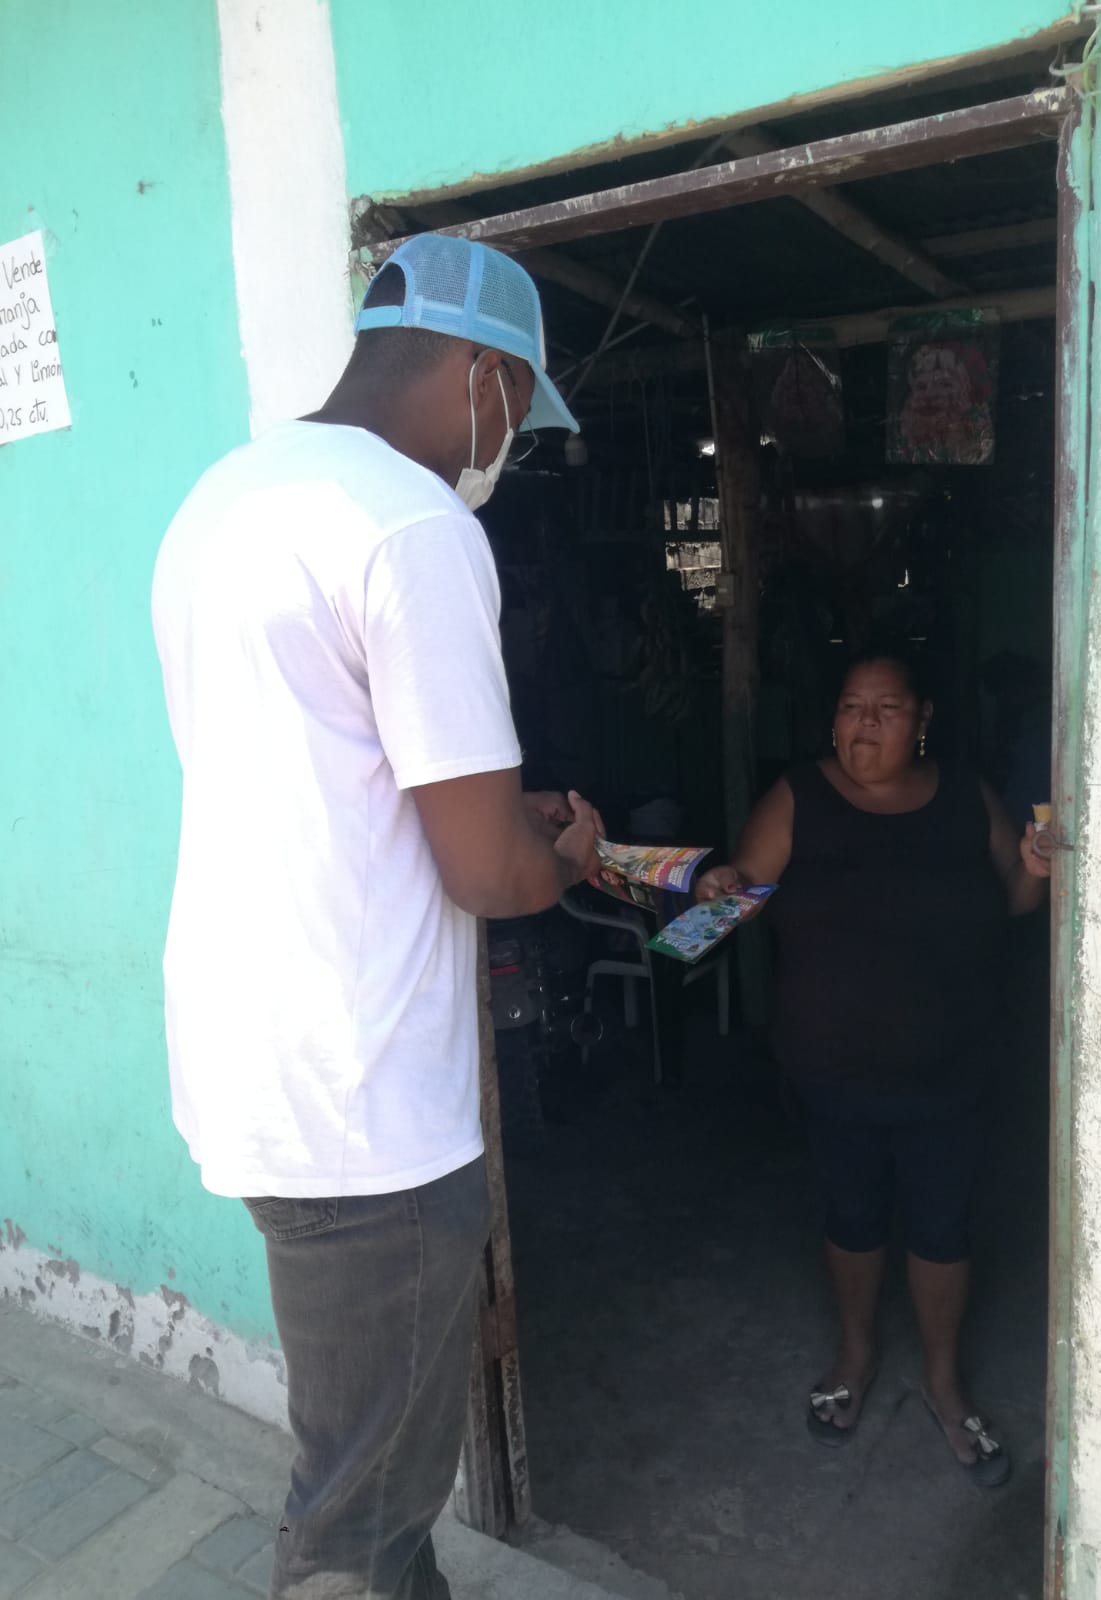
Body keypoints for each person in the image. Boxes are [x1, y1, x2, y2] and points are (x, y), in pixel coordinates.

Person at [152, 234, 600, 1598]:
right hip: (366, 1109)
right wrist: (565, 854)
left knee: (370, 1479)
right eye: (517, 407)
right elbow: (490, 876)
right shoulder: (413, 527)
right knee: (358, 1517)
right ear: (479, 373)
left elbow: (332, 778)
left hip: (252, 1057)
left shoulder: (223, 499)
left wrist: (498, 815)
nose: (509, 441)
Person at [696, 645, 1050, 1488]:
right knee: (853, 1218)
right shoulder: (798, 796)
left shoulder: (966, 795)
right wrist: (714, 888)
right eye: (852, 706)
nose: (865, 723)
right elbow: (740, 892)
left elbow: (1013, 895)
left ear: (922, 720)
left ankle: (943, 1382)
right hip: (836, 1071)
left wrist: (1036, 869)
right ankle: (855, 1357)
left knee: (942, 1228)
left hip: (952, 1069)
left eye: (887, 708)